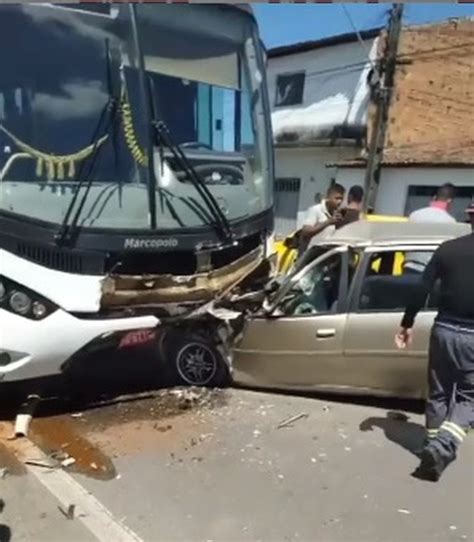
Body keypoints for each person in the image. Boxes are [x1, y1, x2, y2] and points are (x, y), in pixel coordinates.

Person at [395, 201, 474, 482]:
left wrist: (407, 323)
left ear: (469, 218)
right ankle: (442, 446)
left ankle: (431, 449)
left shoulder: (447, 250)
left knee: (439, 391)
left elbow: (421, 288)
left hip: (443, 330)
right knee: (469, 398)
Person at [404, 184, 457, 273]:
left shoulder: (415, 215)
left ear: (434, 197)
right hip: (430, 271)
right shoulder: (450, 221)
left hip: (409, 266)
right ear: (450, 201)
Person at [298, 183, 345, 255]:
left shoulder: (336, 214)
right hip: (311, 257)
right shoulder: (315, 210)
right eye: (337, 198)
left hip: (325, 257)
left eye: (341, 199)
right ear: (328, 197)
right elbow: (305, 231)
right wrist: (327, 222)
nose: (339, 202)